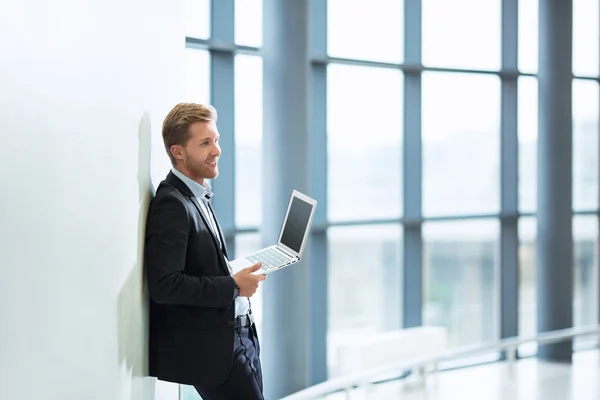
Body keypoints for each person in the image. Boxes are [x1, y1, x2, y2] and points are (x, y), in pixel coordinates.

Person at [145, 103, 267, 399]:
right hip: (218, 352)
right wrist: (234, 286)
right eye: (205, 143)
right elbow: (164, 285)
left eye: (216, 140)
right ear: (178, 152)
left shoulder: (197, 194)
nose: (216, 150)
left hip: (238, 338)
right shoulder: (172, 203)